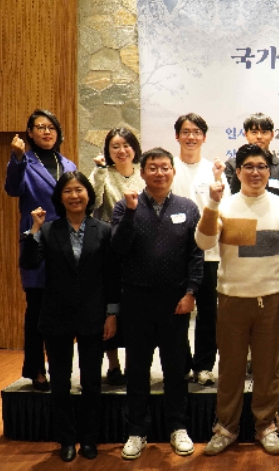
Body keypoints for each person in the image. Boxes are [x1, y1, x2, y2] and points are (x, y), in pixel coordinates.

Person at [196, 144, 279, 457]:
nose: (255, 172)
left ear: (269, 171)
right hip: (232, 300)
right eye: (249, 167)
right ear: (239, 171)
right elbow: (203, 242)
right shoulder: (225, 206)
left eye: (261, 166)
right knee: (230, 369)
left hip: (271, 300)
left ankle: (266, 426)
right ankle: (226, 428)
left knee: (267, 370)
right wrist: (212, 204)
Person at [112, 147, 204, 460]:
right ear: (142, 172)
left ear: (173, 172)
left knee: (175, 368)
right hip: (136, 300)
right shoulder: (125, 206)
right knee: (137, 368)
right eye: (153, 168)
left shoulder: (187, 207)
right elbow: (118, 248)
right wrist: (130, 212)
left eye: (165, 167)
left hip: (175, 300)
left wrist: (191, 291)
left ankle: (178, 427)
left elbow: (196, 254)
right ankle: (136, 430)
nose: (160, 173)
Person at [20, 172, 118, 462]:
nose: (74, 196)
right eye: (68, 191)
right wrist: (34, 229)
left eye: (79, 190)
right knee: (60, 382)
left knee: (91, 381)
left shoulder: (104, 230)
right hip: (57, 315)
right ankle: (66, 439)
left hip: (93, 314)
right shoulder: (49, 229)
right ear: (60, 198)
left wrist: (112, 313)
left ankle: (89, 439)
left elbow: (112, 276)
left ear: (88, 195)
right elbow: (29, 262)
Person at [5, 109, 77, 391]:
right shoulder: (23, 161)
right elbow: (13, 189)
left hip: (65, 242)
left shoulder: (68, 164)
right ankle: (36, 369)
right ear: (30, 133)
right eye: (40, 127)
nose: (47, 132)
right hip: (37, 239)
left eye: (51, 127)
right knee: (37, 309)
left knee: (64, 308)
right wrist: (16, 158)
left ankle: (62, 368)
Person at [170, 113, 229, 386]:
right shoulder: (168, 167)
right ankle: (182, 363)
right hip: (175, 253)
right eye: (185, 132)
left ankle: (204, 366)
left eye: (196, 132)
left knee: (209, 313)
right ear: (177, 136)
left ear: (204, 137)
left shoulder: (214, 171)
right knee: (177, 311)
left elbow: (225, 211)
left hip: (210, 253)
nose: (191, 137)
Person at [89, 127, 144, 386]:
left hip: (140, 247)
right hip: (110, 247)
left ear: (134, 148)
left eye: (126, 145)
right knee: (109, 306)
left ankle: (135, 363)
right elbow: (92, 204)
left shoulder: (143, 174)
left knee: (135, 309)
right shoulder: (102, 173)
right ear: (108, 151)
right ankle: (113, 365)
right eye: (115, 146)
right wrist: (99, 172)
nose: (121, 150)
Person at [225, 112, 279, 205]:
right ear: (246, 134)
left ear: (272, 135)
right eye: (254, 132)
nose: (259, 136)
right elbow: (230, 197)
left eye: (264, 132)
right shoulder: (232, 165)